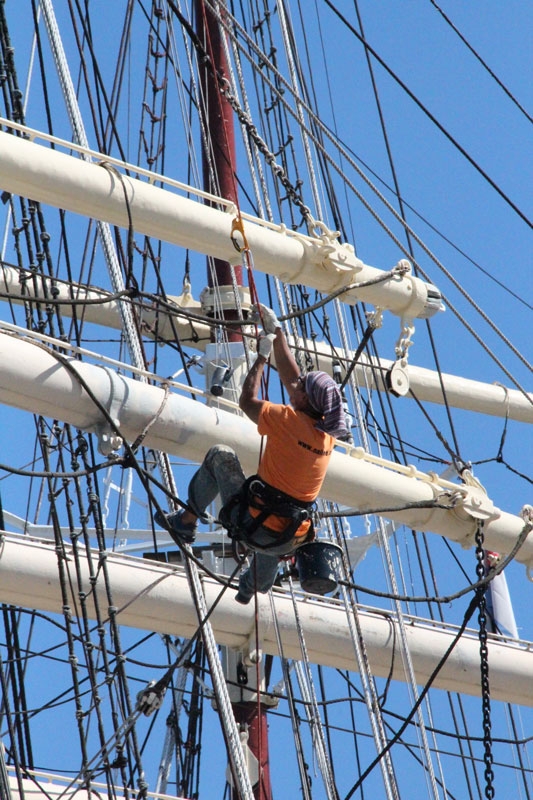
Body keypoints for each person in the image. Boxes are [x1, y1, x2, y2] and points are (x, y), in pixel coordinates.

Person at [155, 303, 348, 604]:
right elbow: (293, 380)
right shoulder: (327, 436)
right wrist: (277, 332)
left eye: (301, 390)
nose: (294, 389)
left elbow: (247, 401)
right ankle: (253, 585)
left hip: (254, 526)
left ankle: (186, 522)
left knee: (220, 455)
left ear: (306, 401)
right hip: (289, 540)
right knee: (279, 518)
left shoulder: (286, 419)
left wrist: (261, 357)